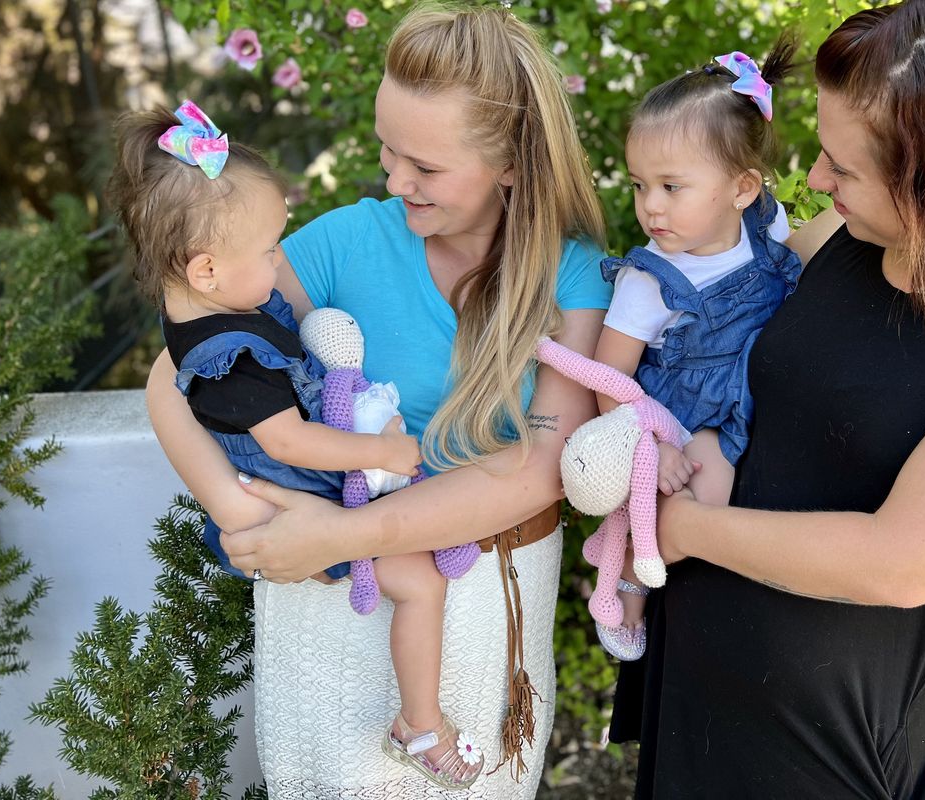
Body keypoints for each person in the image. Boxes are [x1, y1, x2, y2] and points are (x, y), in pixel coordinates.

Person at [607, 1, 925, 797]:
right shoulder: (846, 238)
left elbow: (904, 562)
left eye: (843, 169)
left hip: (819, 751)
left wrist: (679, 527)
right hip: (695, 685)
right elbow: (703, 328)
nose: (817, 182)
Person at [142, 5, 609, 798]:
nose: (395, 182)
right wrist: (243, 516)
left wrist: (347, 529)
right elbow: (176, 375)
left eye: (424, 167)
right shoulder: (347, 240)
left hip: (482, 601)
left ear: (512, 162)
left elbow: (540, 468)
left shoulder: (572, 276)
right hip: (331, 612)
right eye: (388, 151)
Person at [108, 99, 496, 789]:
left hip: (316, 482)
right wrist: (383, 455)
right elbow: (290, 440)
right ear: (206, 271)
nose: (278, 259)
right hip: (307, 499)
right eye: (266, 250)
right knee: (423, 585)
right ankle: (421, 724)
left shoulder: (211, 306)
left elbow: (290, 304)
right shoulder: (236, 360)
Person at [590, 38, 804, 661]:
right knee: (704, 503)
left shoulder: (767, 225)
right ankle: (628, 575)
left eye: (671, 186)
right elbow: (609, 377)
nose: (650, 206)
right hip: (690, 416)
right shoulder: (650, 280)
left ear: (742, 189)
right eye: (639, 185)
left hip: (757, 391)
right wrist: (652, 443)